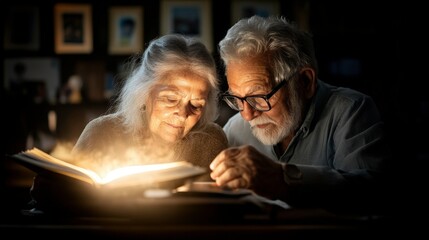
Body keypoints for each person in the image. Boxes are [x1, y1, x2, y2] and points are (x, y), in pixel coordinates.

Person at [210, 15, 392, 212]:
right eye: (237, 98)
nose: (247, 115)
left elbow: (371, 195)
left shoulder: (351, 111)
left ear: (305, 82)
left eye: (259, 96)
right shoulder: (236, 129)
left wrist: (282, 178)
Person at [29, 34, 228, 214]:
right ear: (144, 93)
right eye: (170, 99)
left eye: (196, 104)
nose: (183, 114)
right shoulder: (101, 132)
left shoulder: (211, 140)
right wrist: (51, 194)